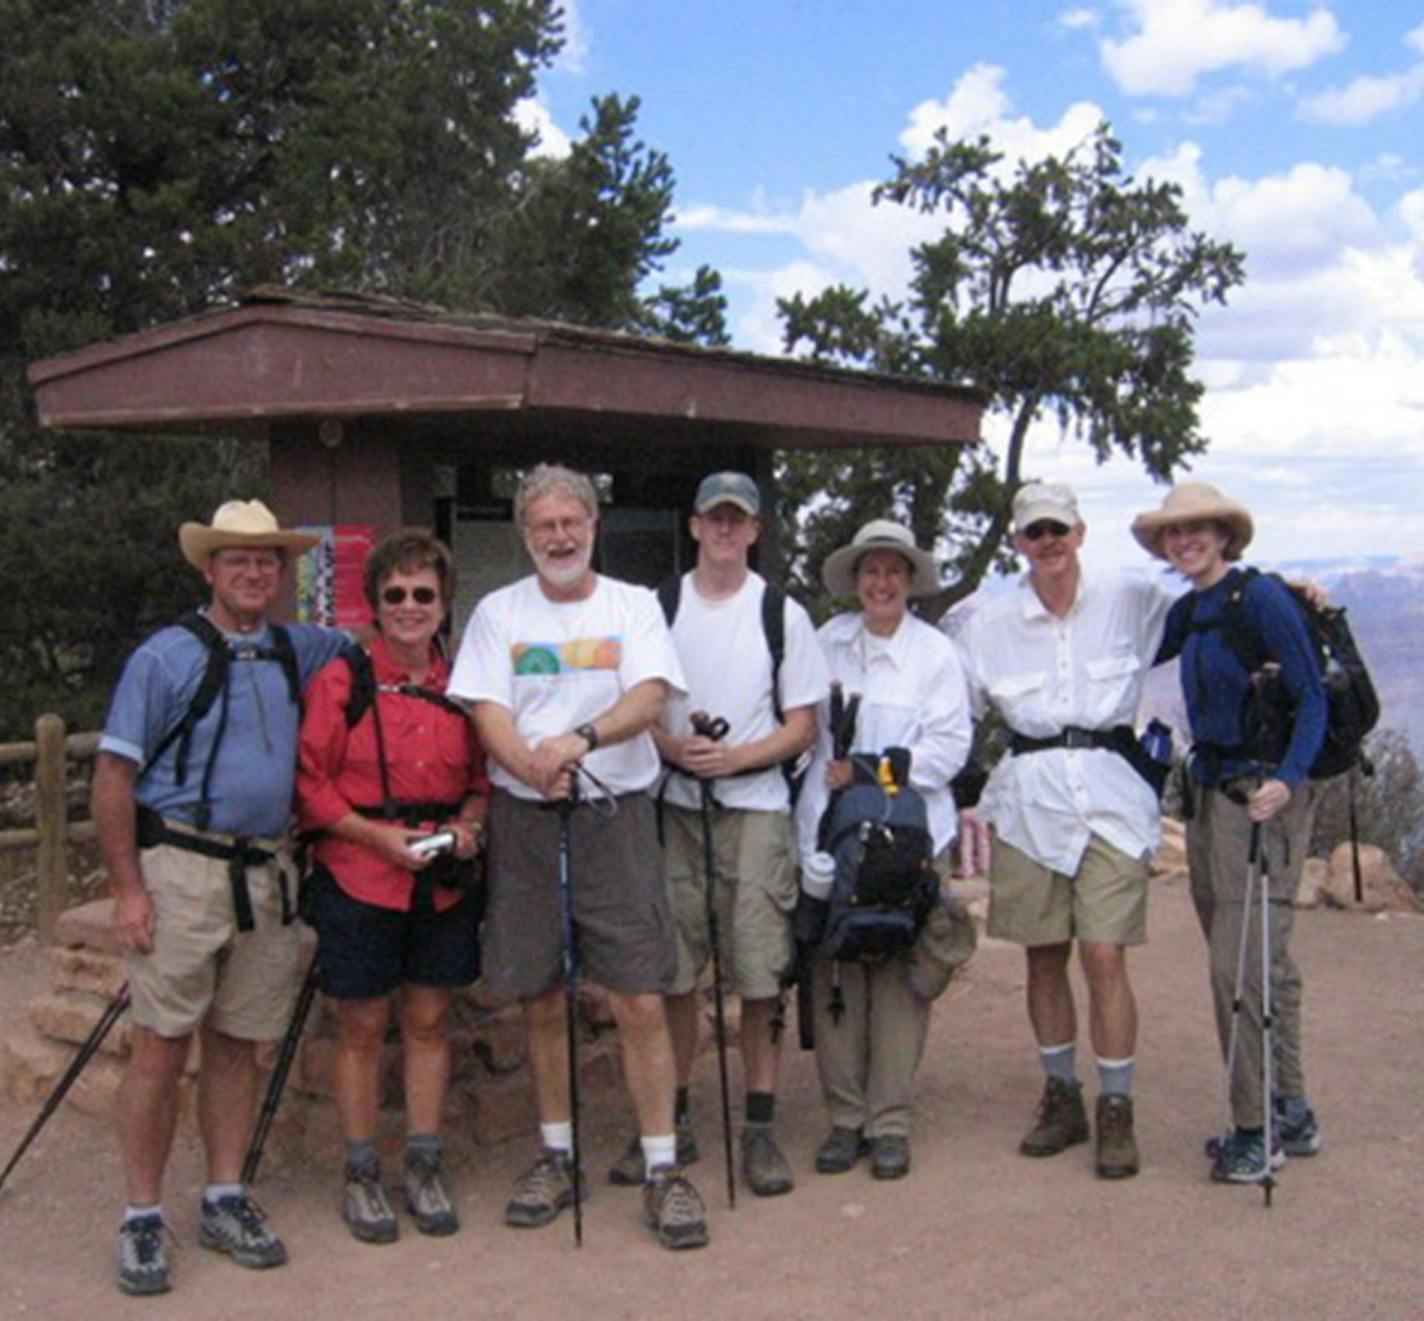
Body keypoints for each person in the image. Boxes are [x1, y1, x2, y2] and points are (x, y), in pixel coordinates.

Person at [448, 463, 710, 1250]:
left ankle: (663, 1163)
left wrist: (581, 739)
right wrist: (528, 762)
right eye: (543, 525)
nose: (559, 537)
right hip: (527, 816)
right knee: (540, 994)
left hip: (614, 810)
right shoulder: (499, 612)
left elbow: (650, 694)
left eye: (571, 522)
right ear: (525, 534)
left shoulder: (632, 606)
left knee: (638, 990)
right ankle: (556, 1153)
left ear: (592, 526)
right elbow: (486, 706)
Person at [92, 500, 349, 1295]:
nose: (253, 570)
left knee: (238, 1043)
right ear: (209, 568)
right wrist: (128, 887)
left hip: (265, 874)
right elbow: (113, 776)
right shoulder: (166, 659)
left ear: (282, 570)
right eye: (236, 559)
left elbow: (372, 642)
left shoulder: (293, 649)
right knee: (162, 1045)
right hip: (181, 871)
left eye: (267, 559)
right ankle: (141, 1212)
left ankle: (223, 1193)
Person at [951, 482, 1175, 1180]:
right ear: (1018, 541)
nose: (1046, 543)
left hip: (1111, 795)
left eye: (1057, 529)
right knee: (1044, 954)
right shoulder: (986, 621)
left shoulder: (1132, 597)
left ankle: (1116, 1104)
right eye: (1033, 532)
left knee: (1104, 952)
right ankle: (1061, 1093)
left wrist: (1288, 592)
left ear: (1079, 531)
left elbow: (1207, 603)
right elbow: (951, 705)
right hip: (1028, 801)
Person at [616, 471, 828, 1197]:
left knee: (760, 969)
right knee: (677, 968)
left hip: (758, 806)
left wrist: (736, 756)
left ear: (755, 529)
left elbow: (804, 722)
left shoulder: (781, 614)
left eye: (739, 520)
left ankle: (760, 1125)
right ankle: (668, 1118)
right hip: (677, 803)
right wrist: (675, 750)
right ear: (695, 525)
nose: (726, 532)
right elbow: (640, 700)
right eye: (715, 519)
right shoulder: (660, 606)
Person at [296, 530, 489, 1242]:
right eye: (396, 595)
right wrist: (378, 838)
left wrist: (468, 824)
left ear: (443, 603)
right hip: (360, 870)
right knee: (362, 1026)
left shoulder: (465, 684)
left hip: (439, 877)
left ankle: (425, 1160)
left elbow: (480, 780)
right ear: (376, 604)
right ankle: (361, 1169)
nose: (409, 607)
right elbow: (310, 781)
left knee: (431, 1020)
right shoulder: (344, 679)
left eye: (424, 594)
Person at [1132, 482, 1326, 1184]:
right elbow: (1130, 650)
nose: (1185, 541)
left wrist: (1290, 777)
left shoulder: (1260, 600)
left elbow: (1311, 697)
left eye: (1197, 530)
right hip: (1211, 793)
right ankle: (1294, 1106)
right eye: (1173, 534)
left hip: (1261, 799)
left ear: (1223, 534)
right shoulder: (1193, 609)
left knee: (1235, 969)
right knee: (1263, 962)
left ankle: (1254, 1127)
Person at [795, 520, 973, 1180]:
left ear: (909, 580)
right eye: (870, 571)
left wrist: (873, 772)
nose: (880, 583)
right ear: (856, 580)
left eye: (892, 571)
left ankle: (889, 1118)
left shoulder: (934, 655)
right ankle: (845, 1118)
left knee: (899, 978)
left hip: (910, 840)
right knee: (835, 972)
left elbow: (949, 747)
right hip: (830, 835)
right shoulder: (825, 644)